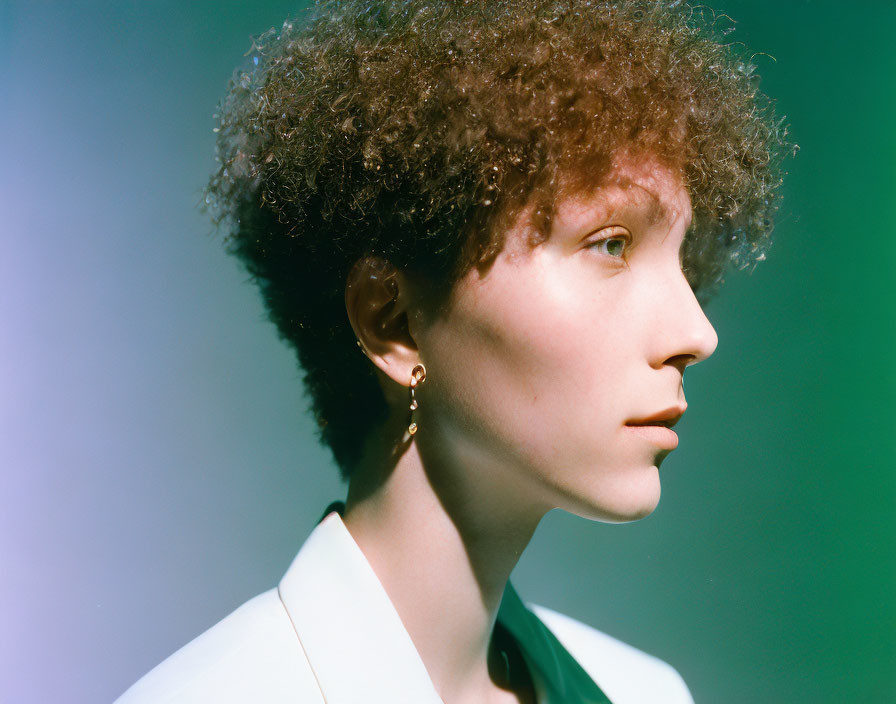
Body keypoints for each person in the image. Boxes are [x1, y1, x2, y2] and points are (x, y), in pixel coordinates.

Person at [116, 0, 790, 702]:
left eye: (682, 258)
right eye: (610, 244)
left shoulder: (645, 693)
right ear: (393, 322)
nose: (697, 334)